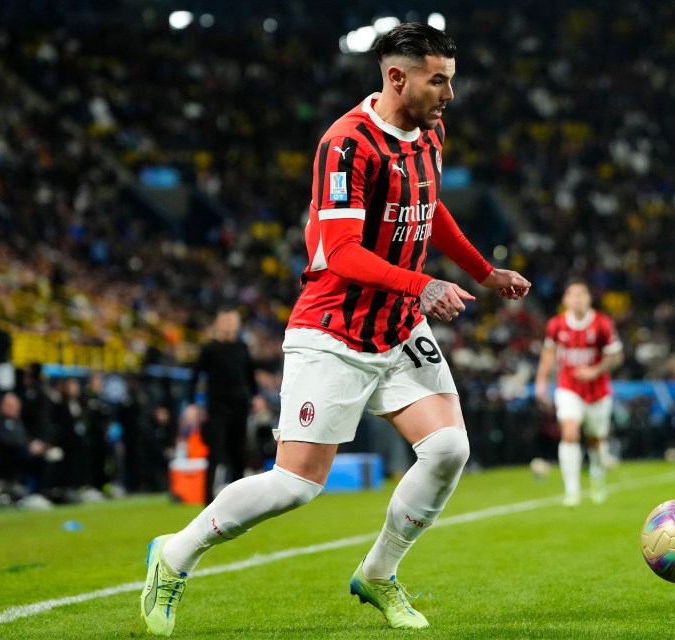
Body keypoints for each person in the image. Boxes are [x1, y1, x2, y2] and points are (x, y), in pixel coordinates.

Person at [139, 22, 530, 636]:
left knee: (451, 448)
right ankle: (174, 554)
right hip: (335, 330)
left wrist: (483, 271)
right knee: (295, 485)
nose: (450, 94)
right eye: (439, 80)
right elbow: (340, 251)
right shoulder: (346, 145)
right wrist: (421, 285)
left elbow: (428, 208)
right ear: (396, 76)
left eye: (451, 80)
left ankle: (377, 574)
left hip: (397, 329)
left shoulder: (430, 133)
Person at [534, 279, 623, 506]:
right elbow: (548, 353)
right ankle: (571, 490)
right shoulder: (556, 325)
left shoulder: (603, 324)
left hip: (598, 391)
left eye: (581, 294)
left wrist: (595, 370)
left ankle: (596, 479)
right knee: (570, 432)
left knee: (595, 440)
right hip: (569, 387)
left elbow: (616, 357)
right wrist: (542, 381)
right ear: (565, 300)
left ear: (589, 299)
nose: (577, 299)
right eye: (572, 295)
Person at [188, 309, 259, 503]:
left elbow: (250, 378)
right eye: (225, 321)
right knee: (215, 453)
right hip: (217, 408)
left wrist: (256, 397)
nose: (228, 324)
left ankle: (238, 500)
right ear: (218, 324)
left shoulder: (242, 348)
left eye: (232, 321)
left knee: (238, 453)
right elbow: (194, 377)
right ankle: (207, 499)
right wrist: (192, 403)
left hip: (239, 407)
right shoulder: (209, 348)